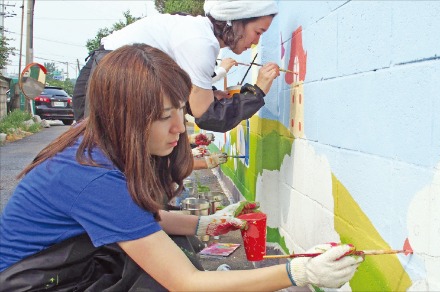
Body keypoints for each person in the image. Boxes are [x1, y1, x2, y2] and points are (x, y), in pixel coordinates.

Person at [0, 44, 363, 291]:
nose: (179, 127)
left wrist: (201, 223)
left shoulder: (99, 141)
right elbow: (185, 283)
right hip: (35, 283)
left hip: (65, 262)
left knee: (178, 242)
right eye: (162, 117)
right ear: (123, 118)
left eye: (180, 110)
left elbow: (133, 219)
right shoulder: (92, 174)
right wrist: (298, 271)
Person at [73, 0, 281, 133]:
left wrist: (210, 94)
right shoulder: (201, 42)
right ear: (236, 22)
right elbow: (210, 118)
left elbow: (193, 96)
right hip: (112, 72)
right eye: (259, 32)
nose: (256, 42)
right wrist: (258, 91)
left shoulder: (195, 30)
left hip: (105, 67)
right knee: (103, 152)